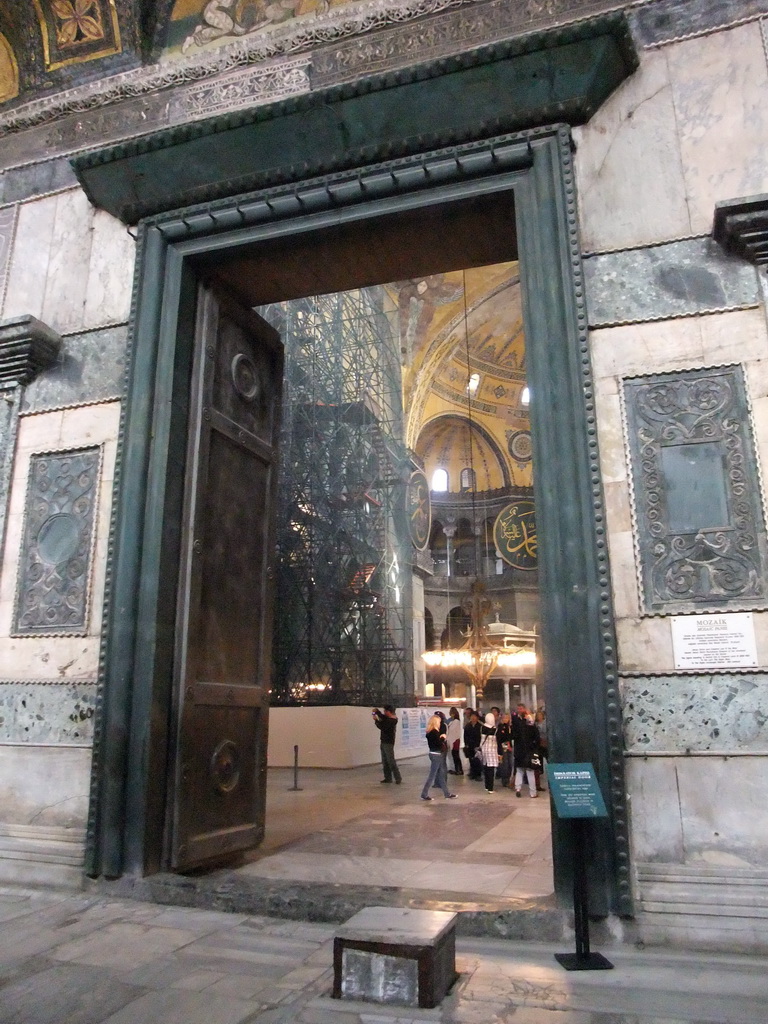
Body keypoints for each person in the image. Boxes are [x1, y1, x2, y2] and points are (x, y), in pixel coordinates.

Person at [420, 714, 457, 800]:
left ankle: (447, 794)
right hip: (436, 754)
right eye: (439, 722)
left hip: (433, 753)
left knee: (441, 775)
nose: (440, 724)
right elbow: (438, 744)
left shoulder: (429, 732)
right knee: (432, 775)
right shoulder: (434, 732)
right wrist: (443, 738)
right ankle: (424, 793)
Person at [372, 705, 401, 784]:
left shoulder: (392, 721)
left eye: (385, 711)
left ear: (389, 712)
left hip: (388, 742)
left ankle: (397, 778)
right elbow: (382, 716)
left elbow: (382, 726)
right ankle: (388, 778)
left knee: (390, 761)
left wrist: (376, 721)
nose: (384, 712)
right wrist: (376, 712)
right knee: (385, 761)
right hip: (384, 741)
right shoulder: (388, 719)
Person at [514, 713, 541, 798]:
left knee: (519, 771)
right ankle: (533, 793)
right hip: (529, 753)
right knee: (530, 772)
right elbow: (537, 741)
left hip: (519, 753)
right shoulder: (533, 729)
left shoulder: (519, 728)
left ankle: (518, 788)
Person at [479, 710, 499, 793]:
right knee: (491, 769)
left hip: (484, 749)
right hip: (492, 750)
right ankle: (491, 788)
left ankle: (487, 786)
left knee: (486, 768)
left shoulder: (482, 727)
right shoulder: (494, 729)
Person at [463, 710, 482, 780]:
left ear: (477, 717)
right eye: (472, 716)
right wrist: (466, 744)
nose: (473, 718)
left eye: (475, 716)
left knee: (477, 760)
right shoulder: (467, 726)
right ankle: (473, 773)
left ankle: (478, 774)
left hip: (477, 745)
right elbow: (465, 736)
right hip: (470, 745)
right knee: (471, 759)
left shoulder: (480, 726)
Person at [496, 712, 513, 787]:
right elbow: (500, 738)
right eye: (504, 718)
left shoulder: (510, 727)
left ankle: (509, 778)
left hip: (509, 746)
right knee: (504, 764)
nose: (506, 720)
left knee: (510, 763)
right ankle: (504, 779)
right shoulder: (501, 727)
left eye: (507, 718)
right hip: (503, 747)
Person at [445, 706, 464, 775]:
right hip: (453, 741)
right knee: (454, 756)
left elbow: (453, 732)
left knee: (456, 756)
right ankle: (456, 769)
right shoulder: (452, 721)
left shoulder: (456, 722)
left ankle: (459, 770)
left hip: (455, 741)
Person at [534, 708, 548, 791]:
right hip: (538, 744)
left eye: (540, 715)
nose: (539, 717)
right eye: (537, 716)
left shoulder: (546, 723)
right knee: (538, 763)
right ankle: (537, 784)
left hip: (545, 743)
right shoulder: (535, 724)